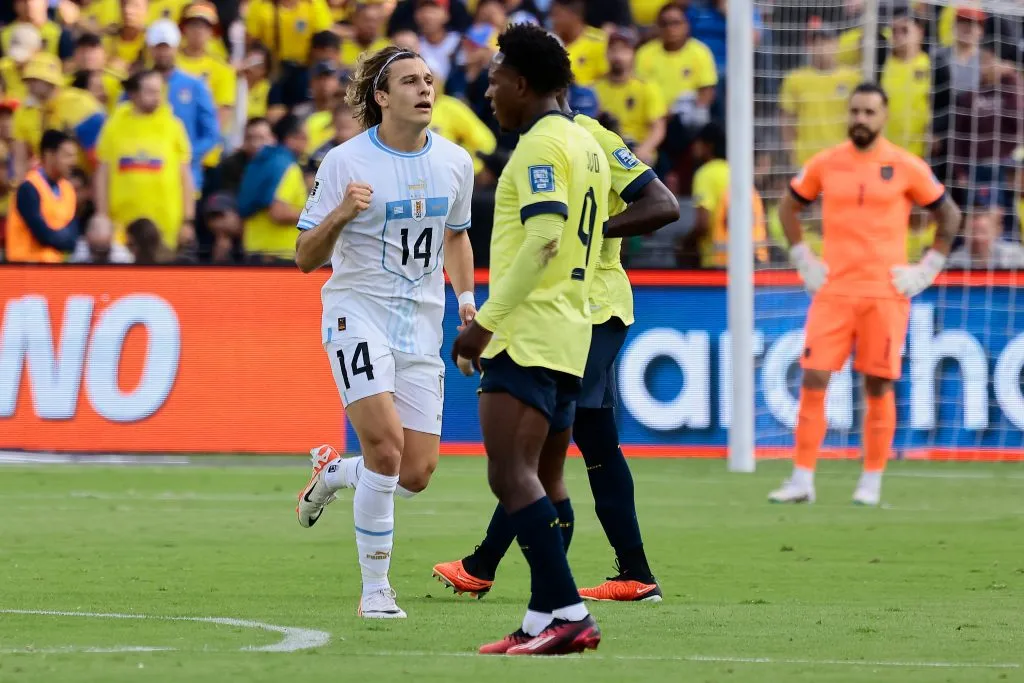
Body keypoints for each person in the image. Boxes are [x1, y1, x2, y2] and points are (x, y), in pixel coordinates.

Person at [432, 87, 679, 605]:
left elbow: (663, 204)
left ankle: (493, 568)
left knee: (542, 448)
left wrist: (593, 236)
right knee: (593, 442)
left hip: (592, 309)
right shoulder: (549, 144)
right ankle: (634, 572)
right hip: (574, 312)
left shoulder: (591, 138)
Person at [291, 46, 476, 620]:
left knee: (415, 472)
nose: (425, 89)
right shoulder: (346, 162)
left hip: (420, 325)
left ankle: (333, 473)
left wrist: (467, 300)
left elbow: (456, 235)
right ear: (381, 96)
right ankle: (376, 589)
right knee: (386, 447)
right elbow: (304, 256)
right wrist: (342, 214)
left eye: (428, 79)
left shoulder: (455, 162)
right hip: (356, 313)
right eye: (410, 81)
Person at [450, 23, 610, 656]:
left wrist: (484, 323)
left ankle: (569, 611)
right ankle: (544, 619)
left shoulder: (541, 148)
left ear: (520, 81)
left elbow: (544, 238)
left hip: (529, 332)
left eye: (494, 79)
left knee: (509, 475)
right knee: (545, 478)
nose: (489, 91)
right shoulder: (587, 145)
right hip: (570, 330)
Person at [770, 83, 962, 506]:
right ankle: (802, 478)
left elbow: (948, 213)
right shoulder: (826, 162)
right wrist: (803, 257)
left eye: (869, 112)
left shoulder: (905, 165)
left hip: (885, 292)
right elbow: (788, 206)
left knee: (878, 385)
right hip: (834, 288)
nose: (861, 119)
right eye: (855, 111)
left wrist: (928, 268)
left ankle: (871, 482)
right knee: (814, 376)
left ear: (884, 116)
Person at [5, 129, 78, 263]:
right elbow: (43, 235)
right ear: (49, 155)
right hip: (22, 271)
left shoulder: (68, 190)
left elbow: (72, 240)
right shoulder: (28, 188)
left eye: (73, 156)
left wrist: (59, 238)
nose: (73, 162)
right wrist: (60, 237)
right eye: (67, 155)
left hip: (53, 270)